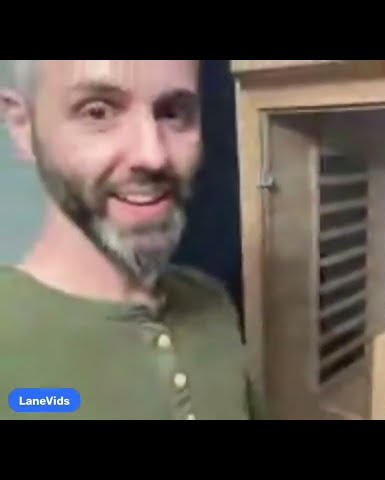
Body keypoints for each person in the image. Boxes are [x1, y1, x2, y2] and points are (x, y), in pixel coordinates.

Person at [0, 60, 267, 419]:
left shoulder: (212, 302)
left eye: (173, 113)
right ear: (22, 125)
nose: (153, 156)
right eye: (98, 112)